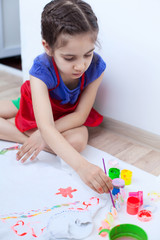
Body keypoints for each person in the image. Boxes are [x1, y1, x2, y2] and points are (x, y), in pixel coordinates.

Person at [0, 0, 112, 194]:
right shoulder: (40, 70)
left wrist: (41, 135)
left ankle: (24, 134)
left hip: (65, 115)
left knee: (78, 141)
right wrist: (81, 166)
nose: (80, 66)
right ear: (48, 47)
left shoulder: (96, 67)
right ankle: (24, 135)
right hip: (33, 105)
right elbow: (46, 125)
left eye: (88, 54)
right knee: (16, 108)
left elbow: (79, 117)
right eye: (69, 58)